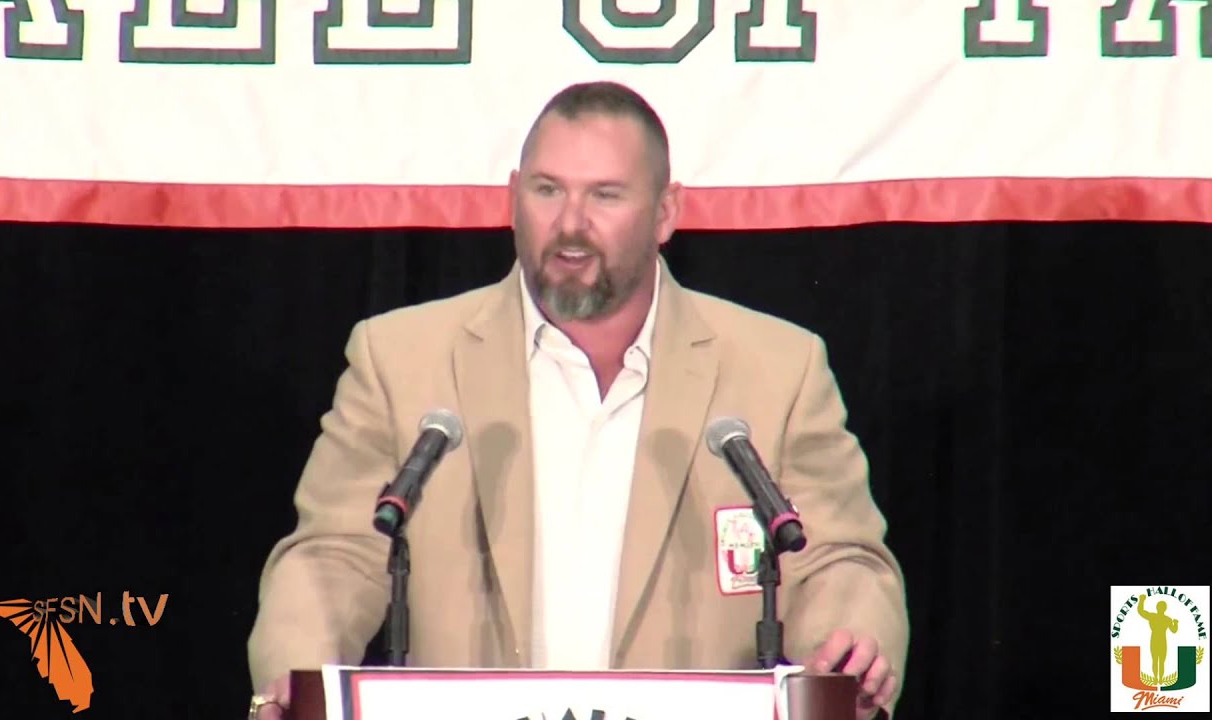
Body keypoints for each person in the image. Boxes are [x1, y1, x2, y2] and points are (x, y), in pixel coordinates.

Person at [246, 80, 910, 720]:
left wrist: (851, 645)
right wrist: (297, 675)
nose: (570, 224)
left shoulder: (778, 369)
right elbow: (333, 555)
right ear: (513, 197)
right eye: (547, 190)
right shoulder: (401, 359)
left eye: (605, 195)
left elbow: (836, 560)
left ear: (666, 213)